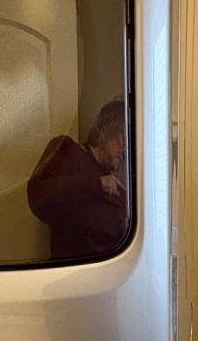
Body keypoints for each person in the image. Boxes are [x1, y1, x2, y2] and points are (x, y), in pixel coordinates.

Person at [27, 99, 128, 260]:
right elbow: (38, 198)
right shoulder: (68, 150)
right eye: (123, 139)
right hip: (71, 273)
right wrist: (97, 184)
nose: (126, 150)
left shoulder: (119, 190)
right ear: (107, 128)